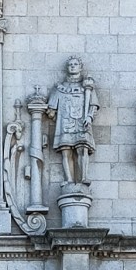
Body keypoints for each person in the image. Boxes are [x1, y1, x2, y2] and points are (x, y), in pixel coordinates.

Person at [45, 56, 99, 186]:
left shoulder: (88, 87)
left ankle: (83, 178)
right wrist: (58, 117)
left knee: (83, 149)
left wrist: (89, 117)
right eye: (70, 64)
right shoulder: (59, 88)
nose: (73, 66)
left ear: (80, 67)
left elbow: (94, 105)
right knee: (66, 151)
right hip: (65, 124)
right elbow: (51, 109)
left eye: (75, 64)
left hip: (82, 122)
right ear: (67, 68)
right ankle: (68, 179)